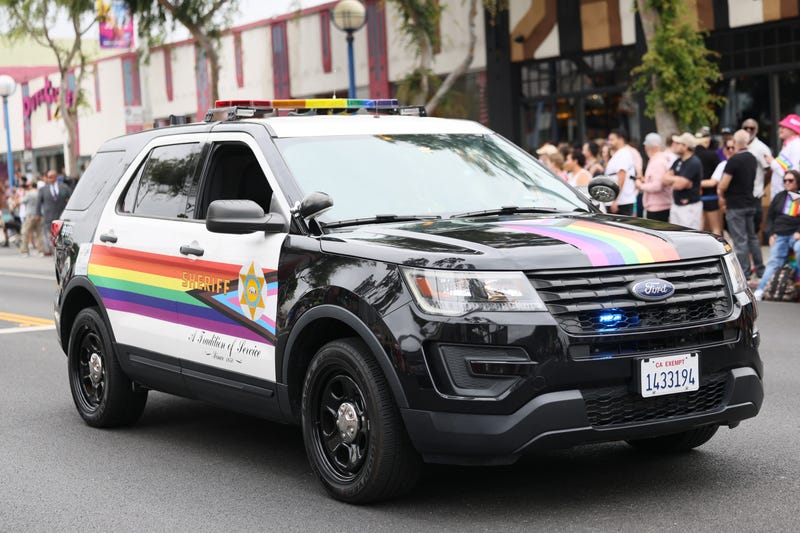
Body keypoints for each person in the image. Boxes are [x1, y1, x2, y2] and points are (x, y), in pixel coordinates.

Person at [717, 129, 763, 279]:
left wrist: (721, 194)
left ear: (736, 143)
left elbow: (724, 184)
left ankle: (745, 272)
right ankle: (760, 269)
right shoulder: (752, 158)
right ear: (748, 142)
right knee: (752, 238)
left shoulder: (734, 160)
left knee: (740, 240)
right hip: (750, 202)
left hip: (735, 204)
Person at [753, 169, 800, 300]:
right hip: (780, 235)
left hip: (796, 234)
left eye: (790, 180)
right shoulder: (779, 196)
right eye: (785, 180)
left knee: (799, 249)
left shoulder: (799, 197)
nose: (787, 183)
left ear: (797, 182)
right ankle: (761, 290)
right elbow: (770, 218)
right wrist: (771, 234)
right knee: (774, 261)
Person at [663, 132, 703, 229]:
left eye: (678, 143)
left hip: (689, 206)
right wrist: (678, 179)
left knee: (690, 236)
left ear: (685, 147)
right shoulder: (678, 161)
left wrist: (675, 181)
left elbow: (679, 185)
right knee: (675, 234)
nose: (675, 145)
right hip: (676, 204)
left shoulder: (694, 162)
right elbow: (664, 179)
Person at [742, 118, 772, 241]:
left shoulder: (761, 148)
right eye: (746, 128)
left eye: (752, 128)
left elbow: (769, 170)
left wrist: (761, 186)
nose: (748, 130)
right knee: (742, 230)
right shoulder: (737, 143)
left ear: (757, 130)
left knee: (755, 228)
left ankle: (755, 259)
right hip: (739, 195)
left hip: (755, 194)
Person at [635, 132, 674, 222]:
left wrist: (640, 185)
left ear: (647, 147)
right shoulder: (659, 160)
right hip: (660, 206)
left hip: (658, 208)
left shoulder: (658, 162)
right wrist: (645, 181)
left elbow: (657, 186)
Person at [695, 127, 724, 235]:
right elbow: (720, 176)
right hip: (711, 195)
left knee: (698, 230)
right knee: (716, 229)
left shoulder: (691, 156)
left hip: (695, 196)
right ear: (707, 141)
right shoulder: (712, 155)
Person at [37, 169, 72, 256]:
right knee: (51, 235)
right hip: (48, 216)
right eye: (48, 177)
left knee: (62, 234)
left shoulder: (64, 187)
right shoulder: (43, 189)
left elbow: (71, 199)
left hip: (61, 215)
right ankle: (53, 250)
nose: (49, 179)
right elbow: (38, 203)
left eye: (51, 177)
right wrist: (37, 214)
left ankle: (61, 250)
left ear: (56, 177)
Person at [767, 114, 800, 201]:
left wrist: (772, 162)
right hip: (783, 196)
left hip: (788, 199)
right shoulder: (789, 144)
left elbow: (794, 173)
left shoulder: (796, 145)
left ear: (793, 130)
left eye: (783, 127)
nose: (779, 130)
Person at [604, 129, 637, 215]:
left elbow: (621, 177)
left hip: (621, 203)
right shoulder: (619, 154)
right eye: (609, 140)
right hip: (616, 201)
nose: (609, 142)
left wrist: (615, 200)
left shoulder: (624, 154)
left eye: (612, 139)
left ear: (621, 140)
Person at [19, 180, 43, 256]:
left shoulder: (28, 193)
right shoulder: (40, 193)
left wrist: (23, 194)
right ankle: (41, 250)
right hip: (39, 215)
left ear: (30, 186)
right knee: (39, 233)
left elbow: (22, 201)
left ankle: (25, 251)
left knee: (25, 232)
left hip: (30, 215)